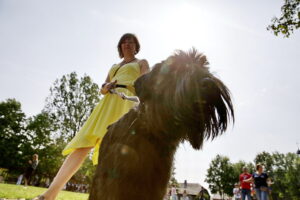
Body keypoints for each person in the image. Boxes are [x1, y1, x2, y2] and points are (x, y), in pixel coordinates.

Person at [33, 33, 149, 200]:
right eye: (124, 41)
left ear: (136, 46)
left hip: (127, 104)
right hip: (107, 103)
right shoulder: (114, 66)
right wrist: (106, 86)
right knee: (83, 144)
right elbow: (102, 89)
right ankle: (49, 195)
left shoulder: (141, 63)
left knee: (122, 152)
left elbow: (146, 83)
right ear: (120, 47)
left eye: (131, 41)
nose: (127, 44)